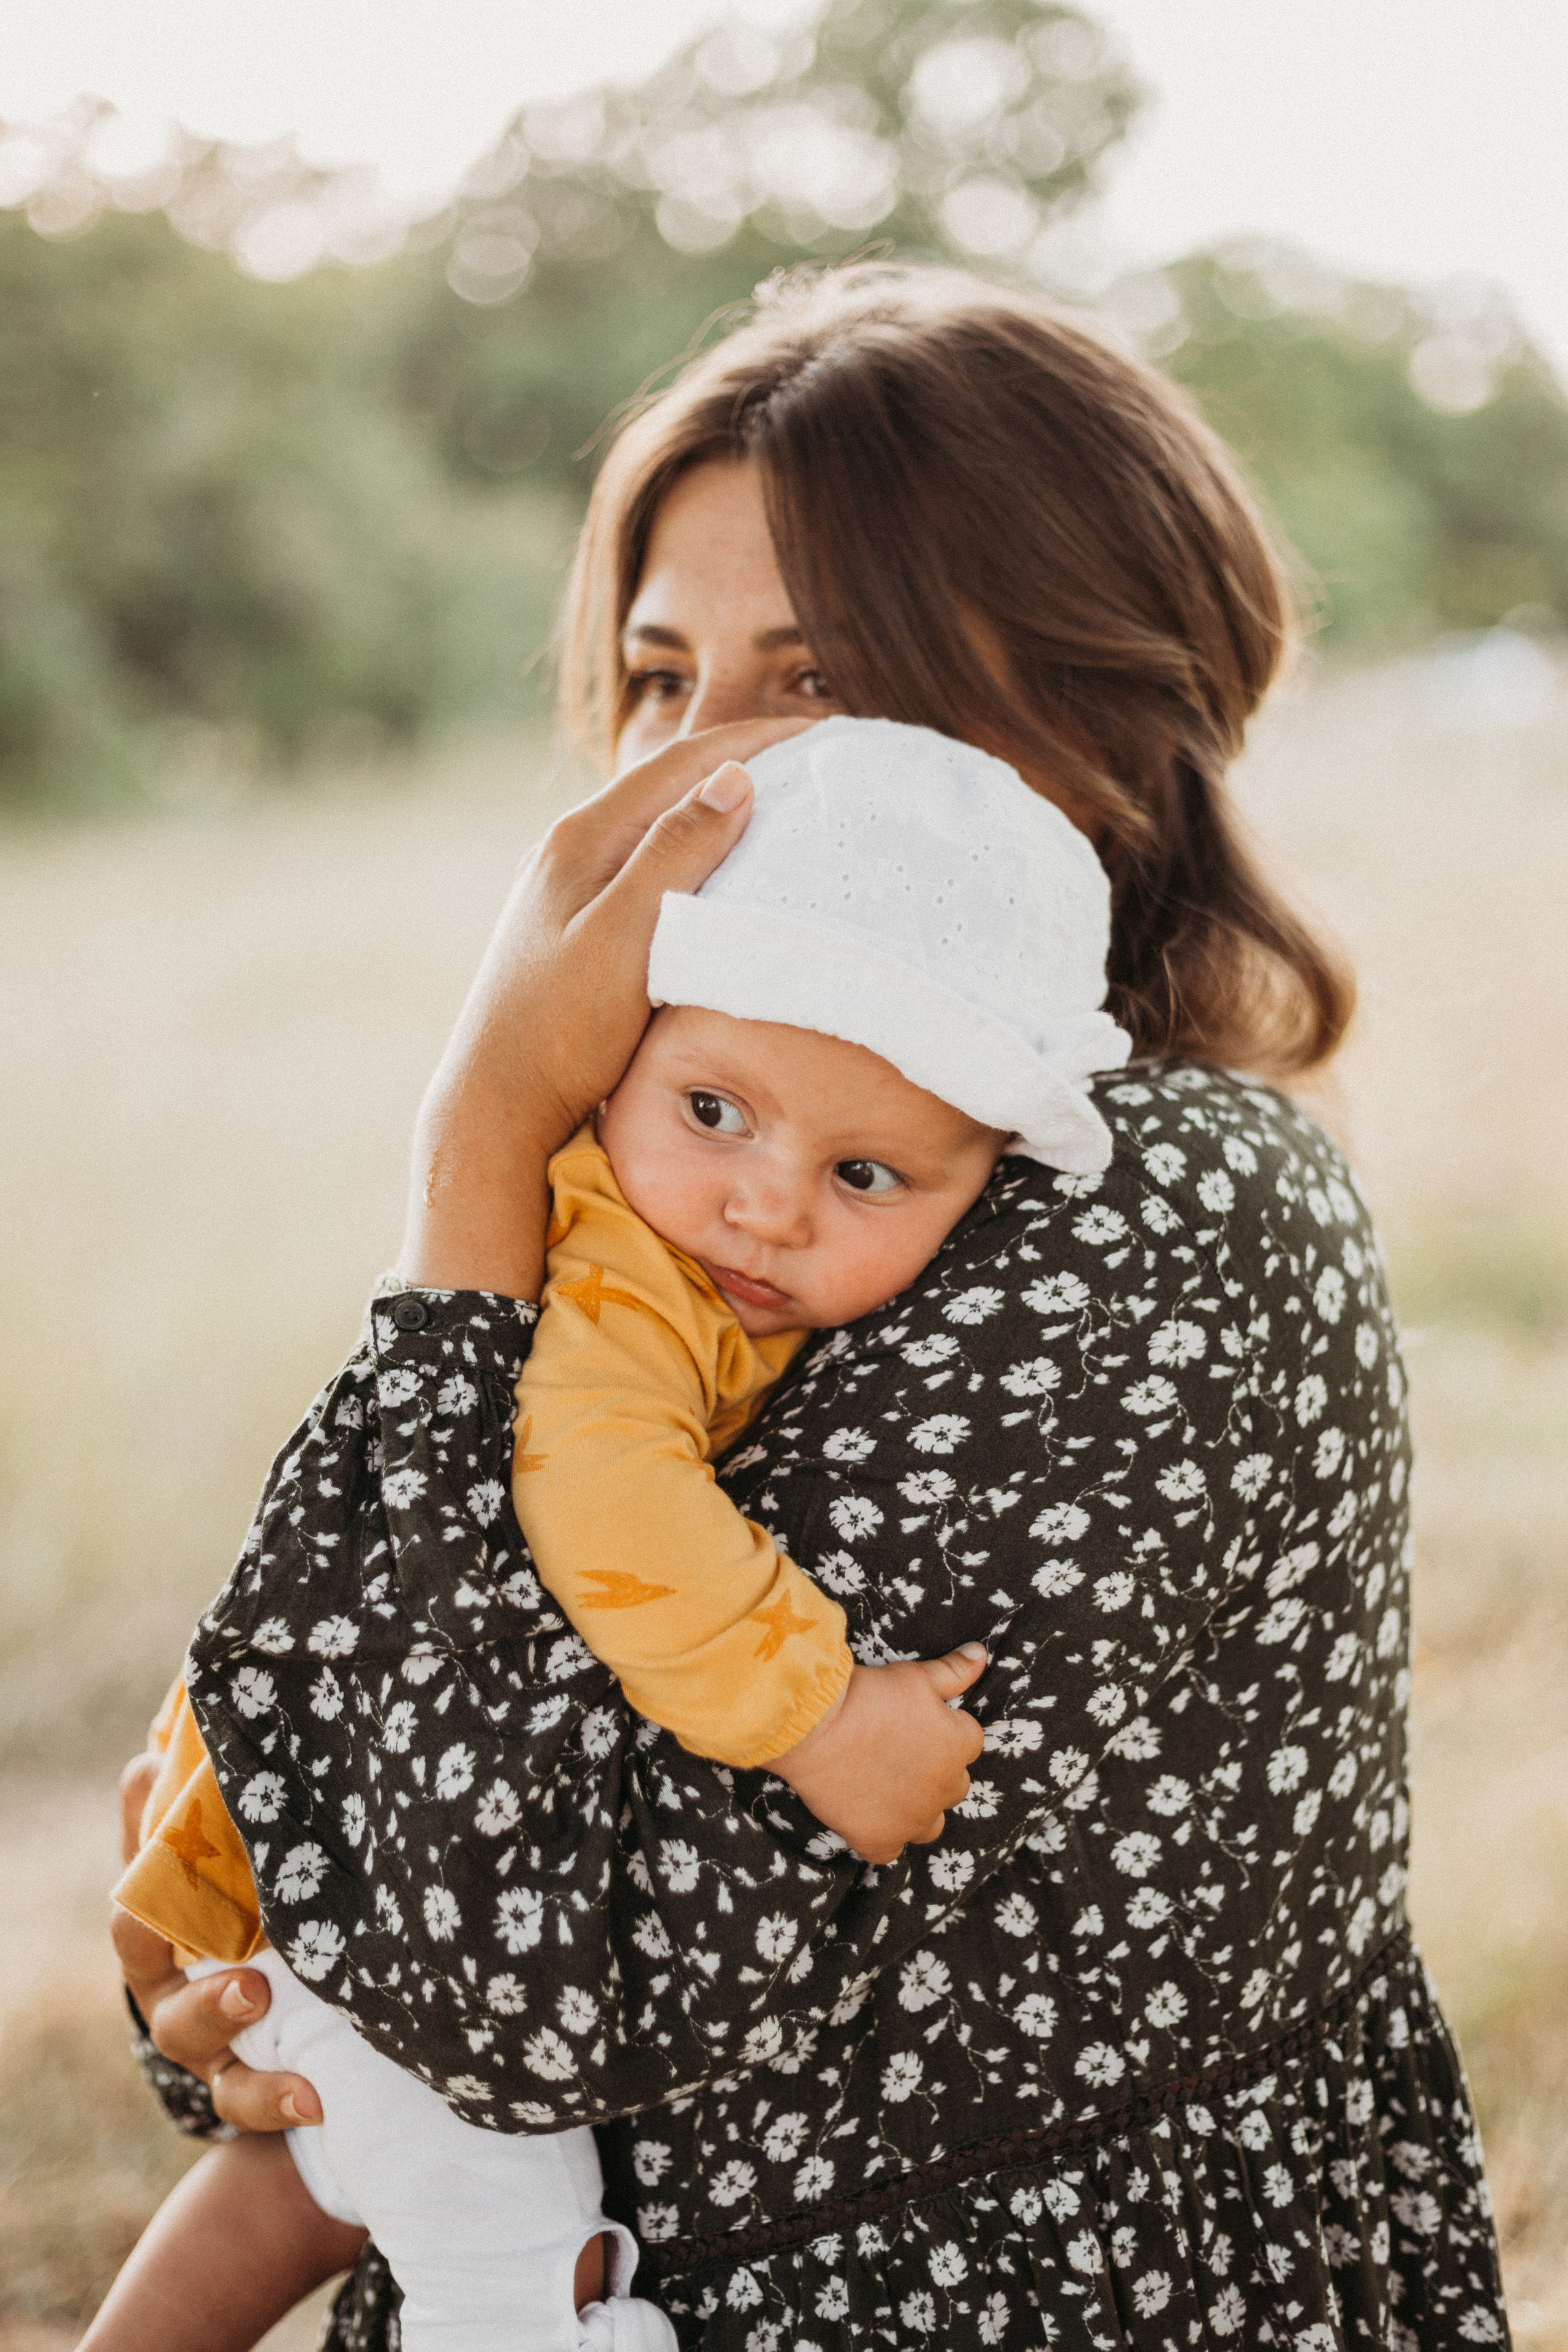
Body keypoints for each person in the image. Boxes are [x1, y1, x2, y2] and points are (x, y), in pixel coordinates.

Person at [116, 263, 1509, 2352]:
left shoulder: (1161, 1215)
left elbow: (504, 1989)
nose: (690, 788)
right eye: (660, 680)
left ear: (1091, 724)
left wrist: (472, 1148)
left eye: (816, 680)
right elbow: (374, 1814)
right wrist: (237, 2005)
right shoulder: (717, 1208)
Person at [100, 718, 1131, 2351]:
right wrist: (819, 1709)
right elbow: (598, 1487)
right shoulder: (614, 1275)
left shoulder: (708, 1241)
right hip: (359, 1810)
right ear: (622, 1052)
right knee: (498, 2222)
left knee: (320, 2155)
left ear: (982, 1180)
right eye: (712, 1108)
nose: (766, 1203)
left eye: (865, 1172)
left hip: (359, 1789)